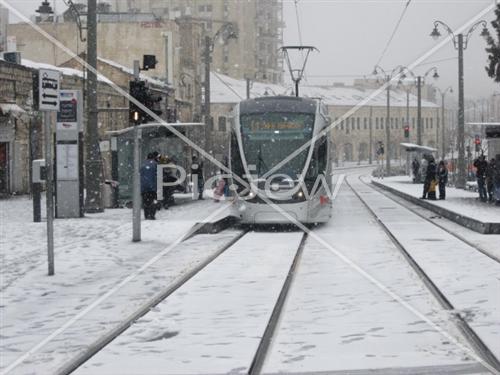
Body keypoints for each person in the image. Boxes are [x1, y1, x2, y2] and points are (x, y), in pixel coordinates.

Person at [140, 153, 158, 220]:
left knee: (145, 202)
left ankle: (146, 215)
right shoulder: (155, 164)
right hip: (153, 187)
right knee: (153, 200)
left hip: (144, 187)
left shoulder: (142, 164)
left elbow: (140, 175)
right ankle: (152, 214)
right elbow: (158, 175)